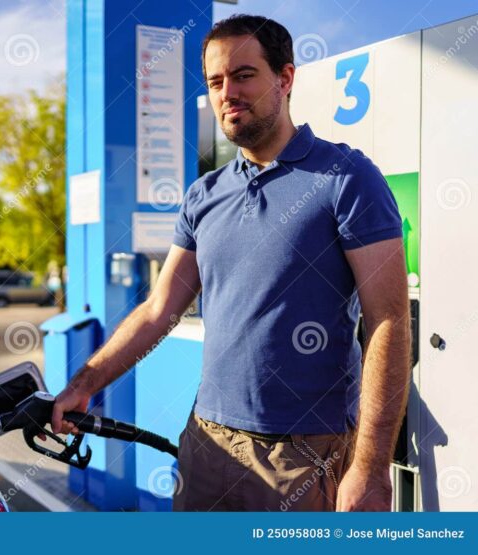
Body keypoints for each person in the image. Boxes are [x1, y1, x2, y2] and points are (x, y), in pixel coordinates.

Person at [52, 14, 410, 511]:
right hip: (207, 442)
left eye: (244, 75)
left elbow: (388, 320)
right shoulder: (204, 194)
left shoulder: (345, 177)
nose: (227, 93)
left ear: (285, 79)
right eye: (216, 81)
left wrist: (370, 468)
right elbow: (159, 310)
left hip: (306, 453)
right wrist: (83, 384)